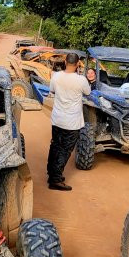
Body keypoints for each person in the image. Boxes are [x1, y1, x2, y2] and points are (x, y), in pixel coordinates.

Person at [46, 52, 91, 191]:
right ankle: (55, 180)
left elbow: (52, 90)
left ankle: (51, 173)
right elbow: (88, 92)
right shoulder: (81, 80)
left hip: (57, 119)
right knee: (65, 150)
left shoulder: (56, 76)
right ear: (77, 64)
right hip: (71, 122)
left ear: (65, 62)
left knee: (55, 145)